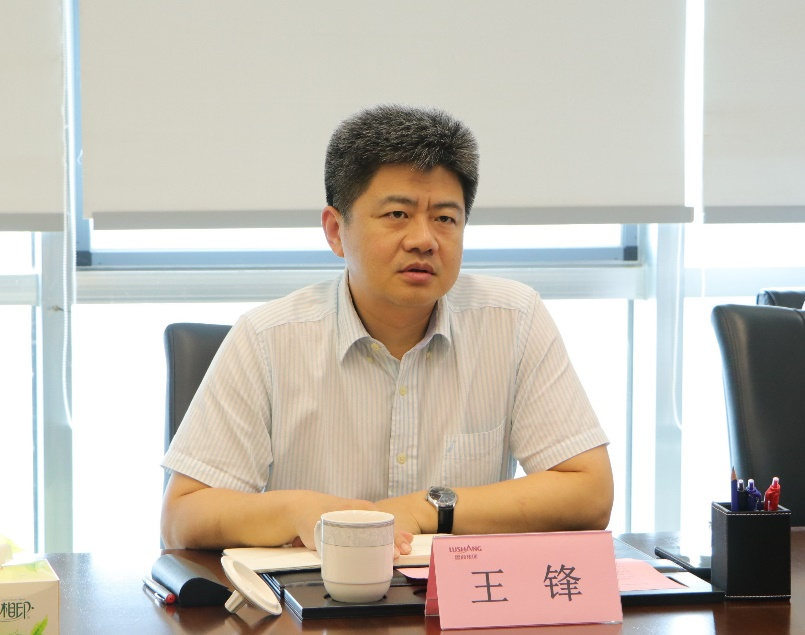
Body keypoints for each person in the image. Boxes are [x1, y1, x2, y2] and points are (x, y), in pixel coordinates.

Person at [161, 104, 613, 556]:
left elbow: (590, 494)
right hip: (314, 594)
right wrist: (297, 510)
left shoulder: (513, 320)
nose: (424, 240)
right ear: (335, 230)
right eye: (397, 214)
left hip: (460, 594)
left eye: (445, 218)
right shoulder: (266, 339)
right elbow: (182, 518)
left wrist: (424, 509)